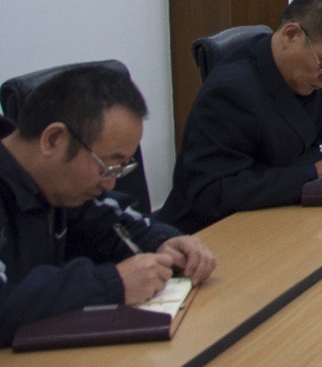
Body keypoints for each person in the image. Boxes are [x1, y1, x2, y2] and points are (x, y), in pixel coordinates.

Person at [1, 65, 216, 346]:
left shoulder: (59, 184)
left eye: (120, 169)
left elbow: (111, 220)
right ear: (53, 139)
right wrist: (113, 284)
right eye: (107, 167)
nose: (110, 184)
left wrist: (166, 243)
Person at [158, 0, 322, 232]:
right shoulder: (230, 92)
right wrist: (309, 174)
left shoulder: (309, 73)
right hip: (210, 233)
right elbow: (213, 192)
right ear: (291, 35)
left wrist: (304, 171)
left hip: (278, 213)